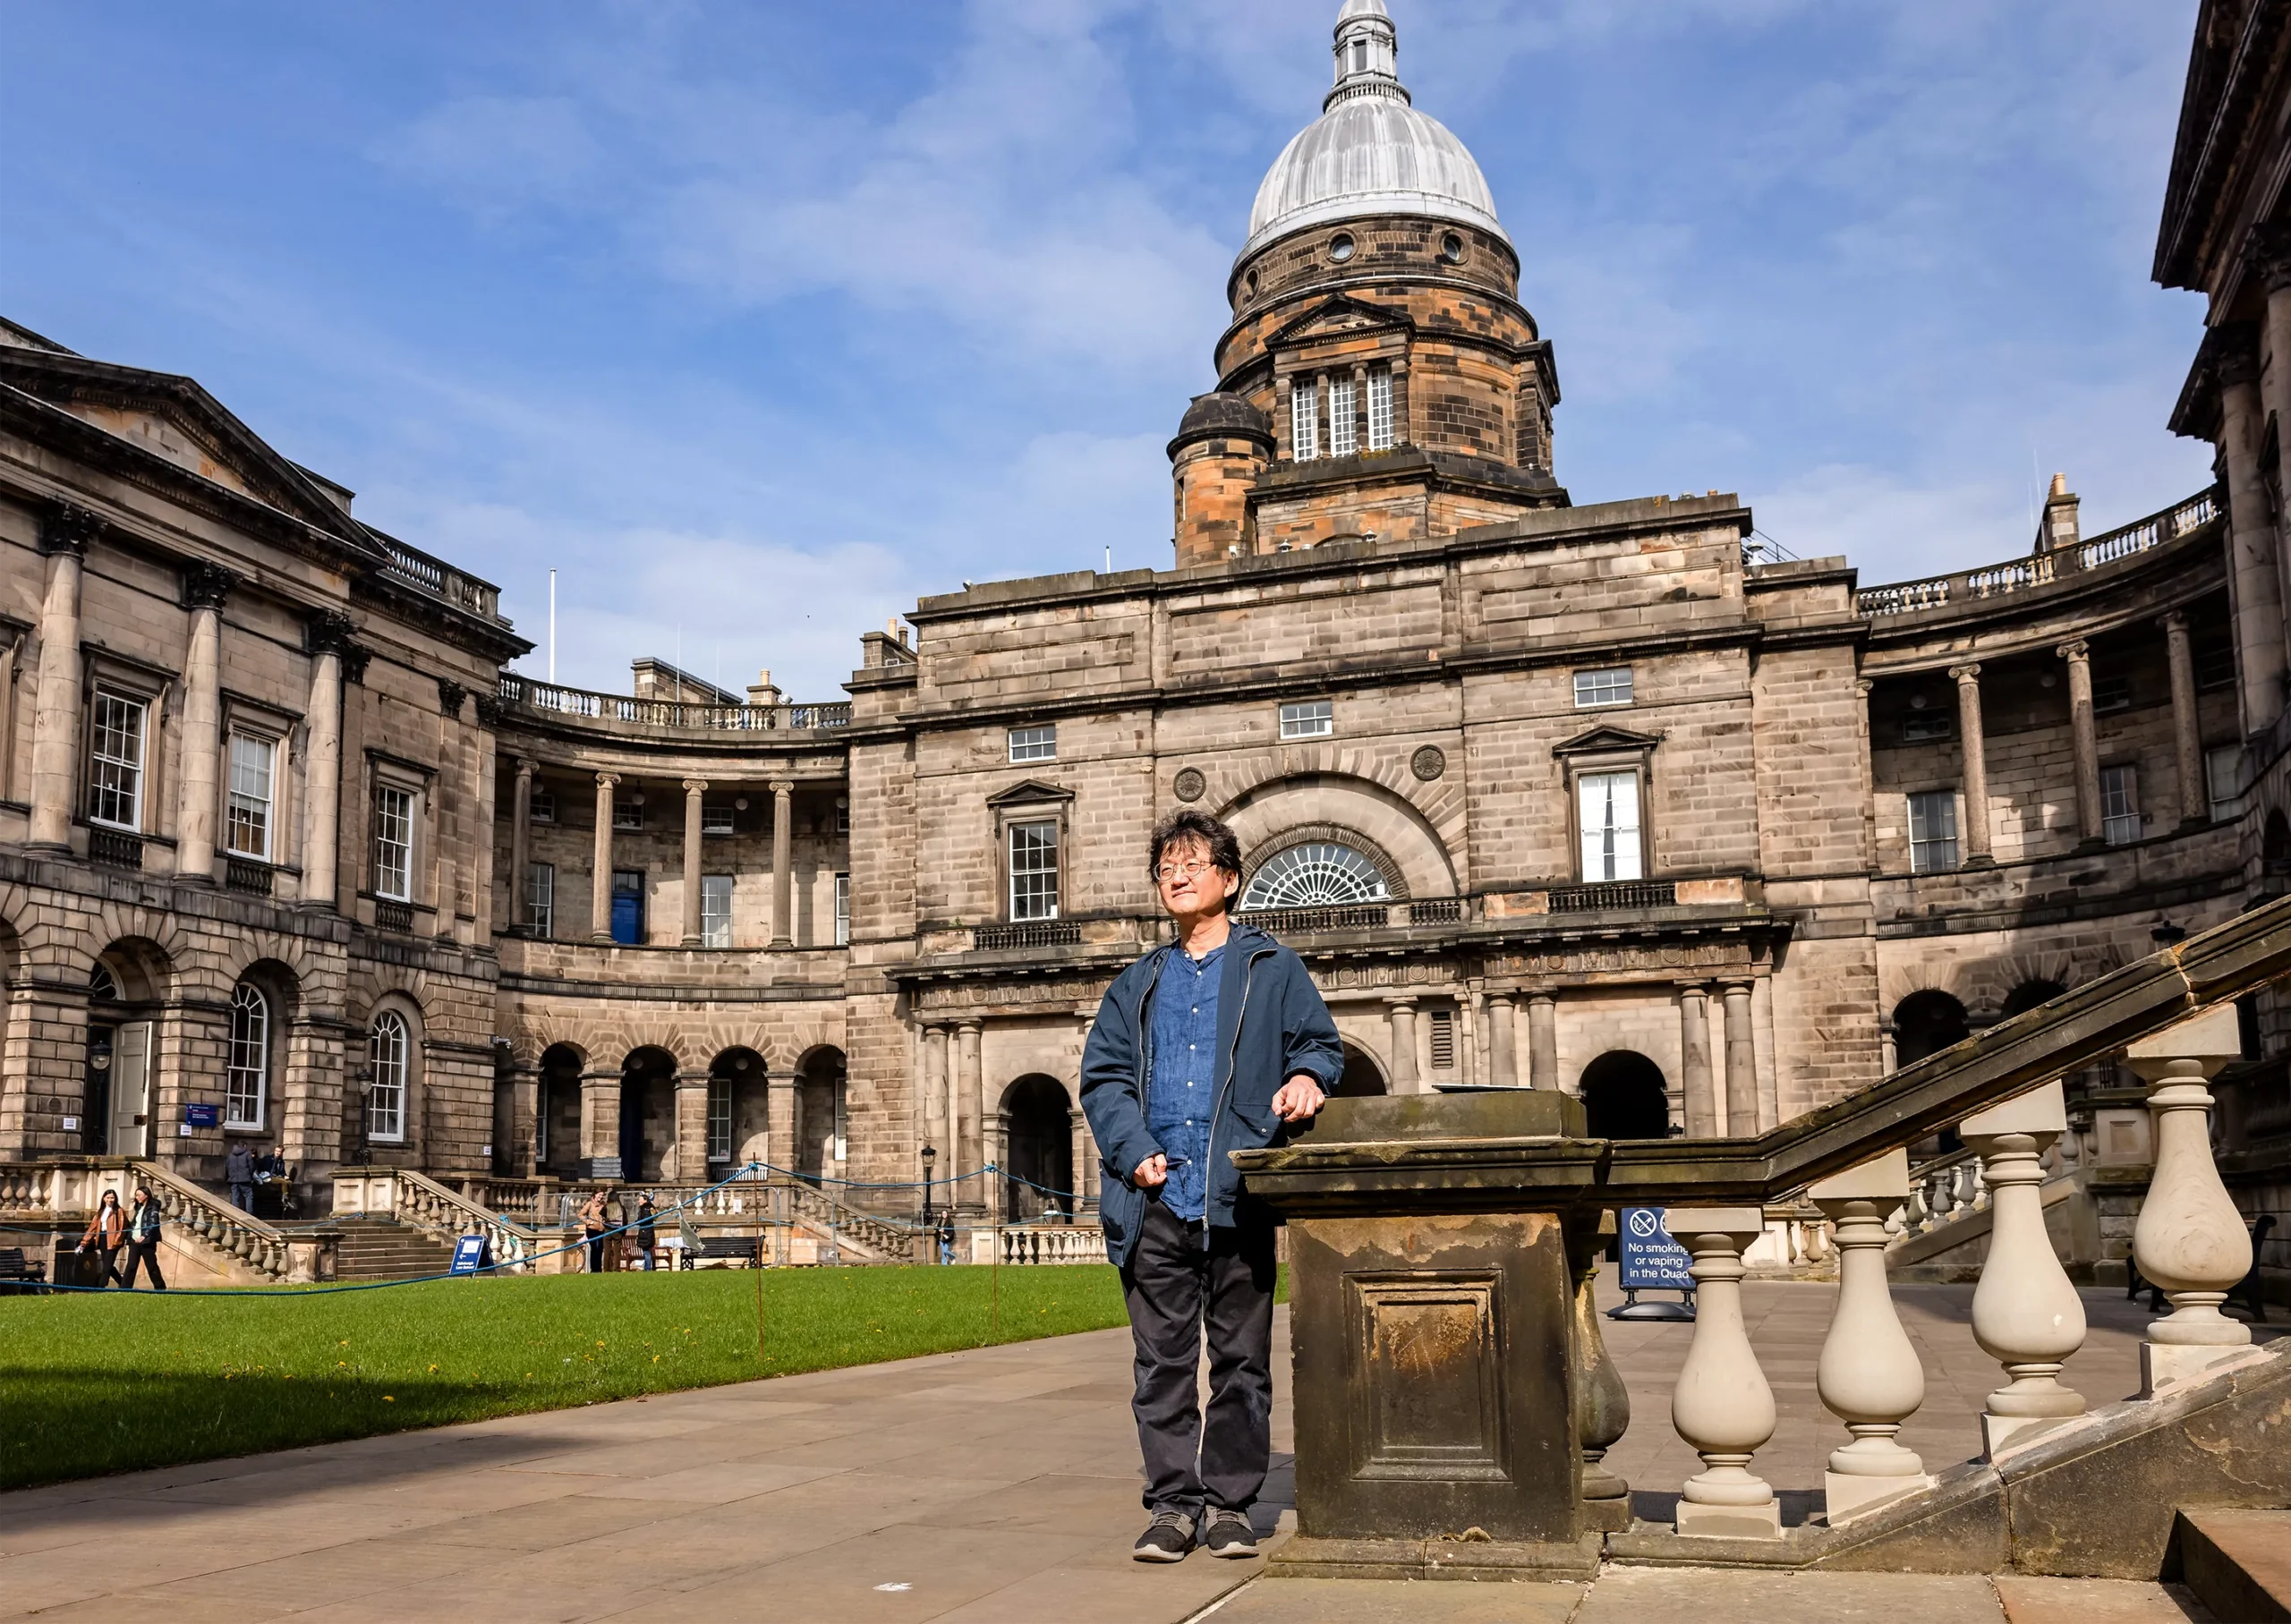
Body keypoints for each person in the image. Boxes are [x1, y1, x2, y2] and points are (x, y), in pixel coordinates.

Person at [1080, 809, 1342, 1564]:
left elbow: (1319, 1044)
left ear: (1229, 880)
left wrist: (1303, 1077)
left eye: (1191, 862)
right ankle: (1172, 1505)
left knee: (1240, 1363)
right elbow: (1102, 1080)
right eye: (1165, 864)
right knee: (1160, 1365)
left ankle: (1229, 1504)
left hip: (1236, 1197)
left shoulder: (1272, 968)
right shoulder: (1138, 982)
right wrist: (1133, 1151)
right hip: (1155, 1199)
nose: (1176, 873)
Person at [77, 1189, 127, 1288]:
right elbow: (92, 1228)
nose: (110, 1200)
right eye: (108, 1198)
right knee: (108, 1265)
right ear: (104, 1199)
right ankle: (124, 1284)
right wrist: (84, 1242)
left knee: (107, 1266)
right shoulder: (100, 1212)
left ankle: (100, 1287)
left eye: (112, 1198)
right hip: (102, 1239)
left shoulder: (119, 1211)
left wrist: (116, 1241)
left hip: (113, 1239)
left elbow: (122, 1228)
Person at [121, 1186, 167, 1290]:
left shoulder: (153, 1206)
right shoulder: (139, 1207)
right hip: (134, 1241)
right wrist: (129, 1237)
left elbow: (153, 1223)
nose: (137, 1197)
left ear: (146, 1195)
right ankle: (124, 1289)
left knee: (151, 1266)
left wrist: (144, 1236)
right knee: (131, 1266)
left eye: (139, 1195)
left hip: (146, 1241)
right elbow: (135, 1224)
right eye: (136, 1195)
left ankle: (160, 1287)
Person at [579, 1189, 609, 1274]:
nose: (601, 1197)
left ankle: (598, 1269)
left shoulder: (603, 1204)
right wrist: (588, 1222)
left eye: (602, 1195)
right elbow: (581, 1214)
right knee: (594, 1249)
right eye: (599, 1195)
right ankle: (593, 1269)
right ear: (595, 1195)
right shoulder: (590, 1204)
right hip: (592, 1229)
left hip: (601, 1229)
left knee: (600, 1249)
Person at [224, 1141, 255, 1213]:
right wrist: (250, 1176)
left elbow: (227, 1167)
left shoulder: (230, 1155)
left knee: (235, 1197)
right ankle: (249, 1214)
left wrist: (229, 1177)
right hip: (245, 1179)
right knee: (249, 1196)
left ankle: (235, 1214)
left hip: (234, 1180)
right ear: (244, 1146)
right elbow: (251, 1167)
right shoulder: (247, 1154)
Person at [633, 1195, 658, 1271]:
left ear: (645, 1200)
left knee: (646, 1252)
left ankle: (647, 1268)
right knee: (646, 1251)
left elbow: (645, 1220)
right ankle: (646, 1267)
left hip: (646, 1233)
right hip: (646, 1232)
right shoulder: (646, 1209)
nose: (639, 1201)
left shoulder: (646, 1209)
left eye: (640, 1200)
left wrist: (638, 1222)